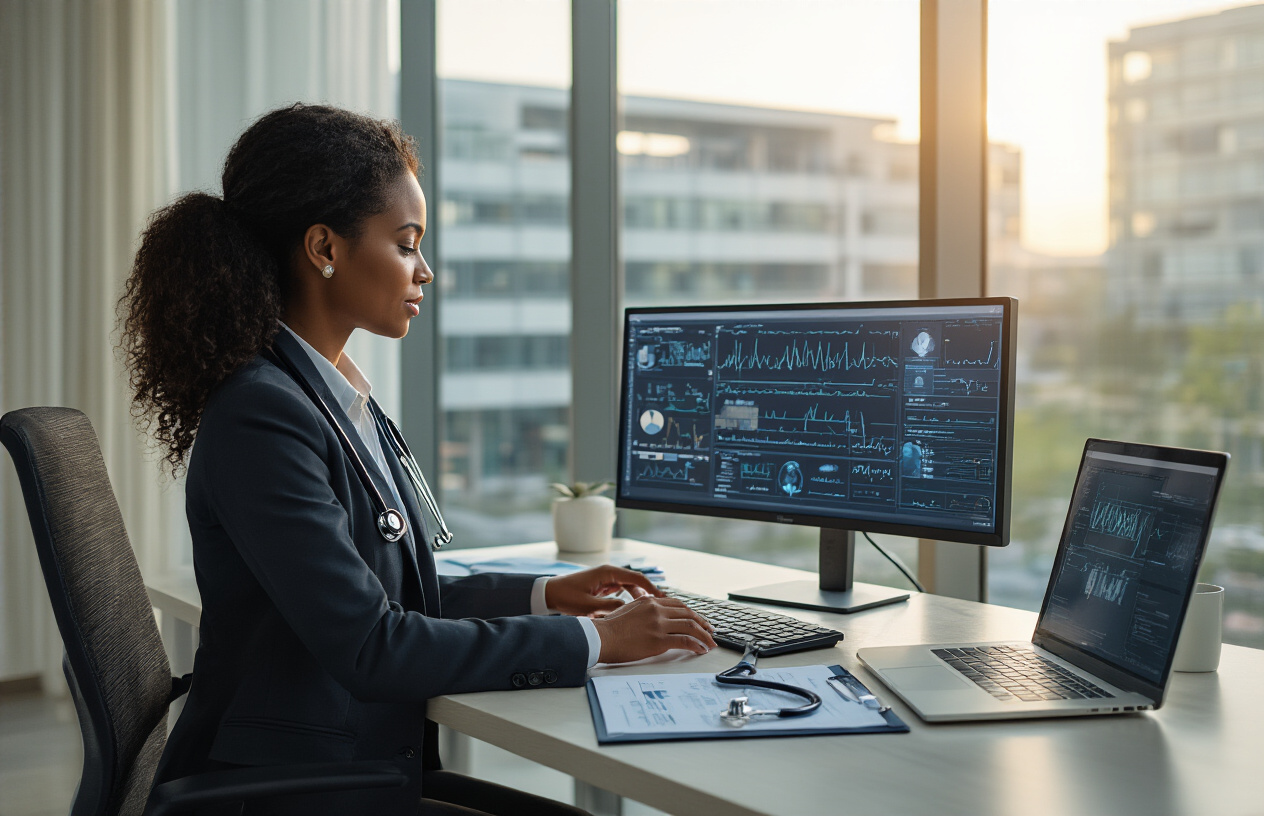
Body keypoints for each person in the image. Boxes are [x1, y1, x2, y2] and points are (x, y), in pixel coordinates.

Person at [119, 103, 716, 816]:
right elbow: (374, 645)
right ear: (323, 247)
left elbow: (387, 600)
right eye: (406, 244)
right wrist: (594, 641)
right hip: (290, 787)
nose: (424, 271)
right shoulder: (263, 414)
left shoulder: (328, 397)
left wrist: (544, 595)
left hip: (351, 763)